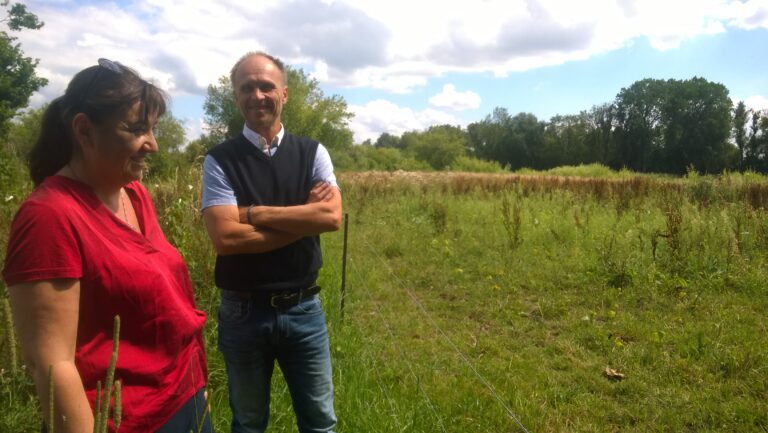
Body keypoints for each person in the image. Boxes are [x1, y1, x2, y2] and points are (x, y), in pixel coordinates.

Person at [2, 59, 212, 433]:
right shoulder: (50, 216)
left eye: (153, 129)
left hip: (184, 399)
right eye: (137, 130)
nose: (153, 144)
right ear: (84, 130)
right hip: (124, 421)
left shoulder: (134, 194)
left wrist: (197, 386)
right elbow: (52, 364)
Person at [201, 51, 342, 433]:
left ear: (285, 94)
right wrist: (303, 219)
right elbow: (226, 238)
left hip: (304, 308)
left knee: (320, 422)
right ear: (236, 97)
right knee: (248, 423)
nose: (257, 95)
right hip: (243, 312)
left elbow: (330, 217)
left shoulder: (313, 152)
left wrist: (255, 213)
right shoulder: (219, 160)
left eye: (266, 86)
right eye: (247, 87)